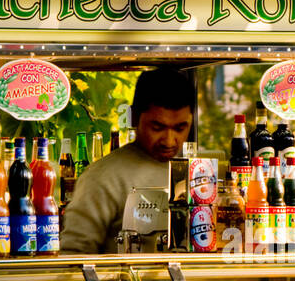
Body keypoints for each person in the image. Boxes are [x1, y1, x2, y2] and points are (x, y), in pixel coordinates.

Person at [59, 68, 194, 254]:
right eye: (157, 127)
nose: (170, 140)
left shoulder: (198, 172)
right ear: (135, 118)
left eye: (180, 128)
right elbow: (73, 260)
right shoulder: (103, 177)